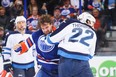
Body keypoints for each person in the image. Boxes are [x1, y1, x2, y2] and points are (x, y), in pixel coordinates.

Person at [45, 12, 97, 77]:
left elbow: (50, 40)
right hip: (82, 63)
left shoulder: (71, 23)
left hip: (66, 61)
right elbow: (91, 55)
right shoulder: (93, 33)